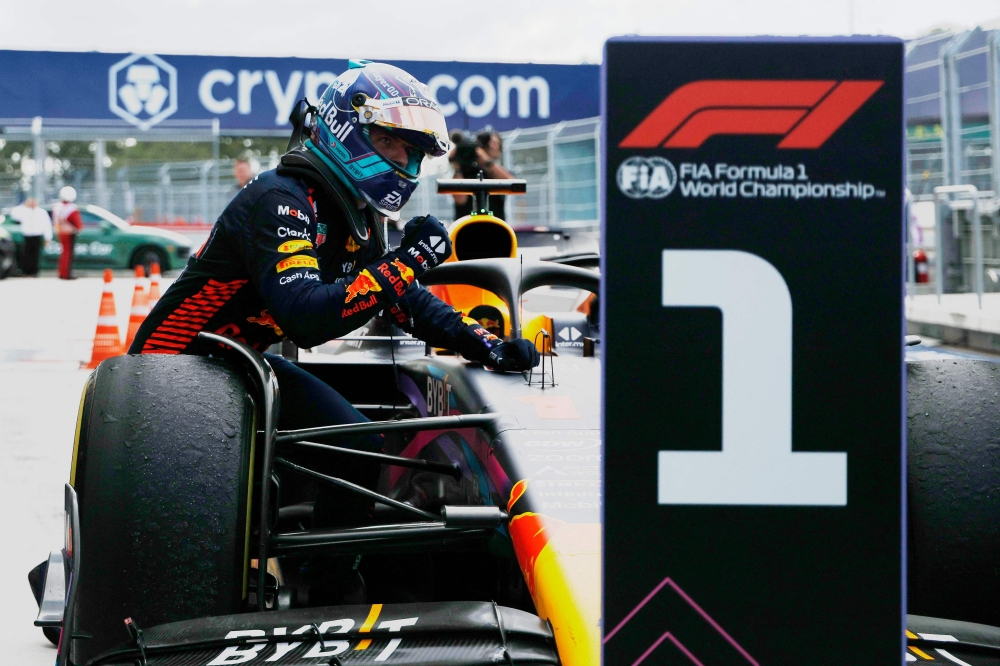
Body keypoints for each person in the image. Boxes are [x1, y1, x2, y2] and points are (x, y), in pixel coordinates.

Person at [128, 61, 539, 603]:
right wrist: (406, 262)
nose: (407, 163)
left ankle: (329, 586)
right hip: (172, 371)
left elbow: (403, 301)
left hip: (236, 366)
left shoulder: (350, 213)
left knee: (358, 440)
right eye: (396, 145)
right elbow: (309, 317)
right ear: (351, 129)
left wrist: (486, 345)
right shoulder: (282, 198)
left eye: (415, 152)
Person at [449, 127, 515, 219]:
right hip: (466, 227)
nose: (492, 146)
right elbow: (460, 200)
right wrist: (457, 166)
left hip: (495, 226)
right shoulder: (467, 173)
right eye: (490, 143)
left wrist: (487, 162)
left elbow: (513, 184)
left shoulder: (499, 172)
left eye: (495, 143)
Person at [9, 197, 52, 276]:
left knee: (35, 254)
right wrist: (23, 205)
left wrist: (48, 237)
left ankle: (34, 271)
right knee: (26, 254)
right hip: (27, 236)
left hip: (37, 235)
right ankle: (26, 271)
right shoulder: (24, 211)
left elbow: (47, 225)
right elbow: (13, 214)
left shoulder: (41, 212)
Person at [51, 186, 82, 280]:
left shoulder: (57, 206)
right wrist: (79, 228)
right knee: (68, 253)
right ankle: (66, 273)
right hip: (70, 232)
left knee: (64, 252)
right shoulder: (72, 208)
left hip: (60, 231)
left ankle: (62, 272)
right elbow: (77, 223)